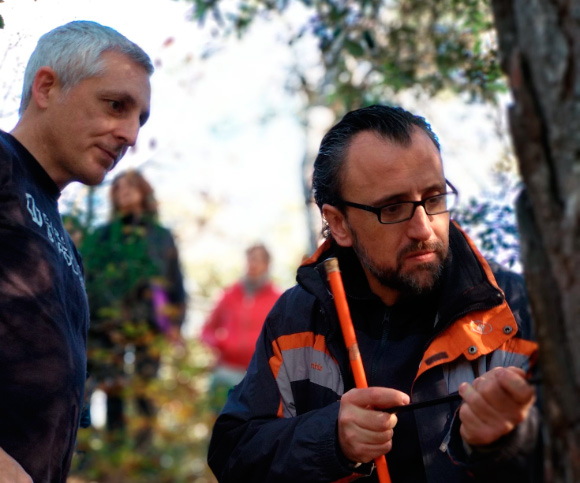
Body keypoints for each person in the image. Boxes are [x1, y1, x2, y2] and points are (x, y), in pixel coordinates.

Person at [208, 105, 541, 483]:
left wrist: (501, 445)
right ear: (338, 224)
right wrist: (329, 439)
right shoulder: (298, 318)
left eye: (433, 199)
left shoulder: (514, 310)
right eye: (393, 208)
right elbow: (233, 455)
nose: (423, 228)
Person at [0, 20, 152, 483]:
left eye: (139, 119)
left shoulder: (62, 237)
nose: (130, 135)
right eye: (115, 105)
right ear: (46, 87)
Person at [82, 169, 186, 444]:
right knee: (112, 393)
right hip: (107, 329)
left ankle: (144, 459)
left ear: (143, 192)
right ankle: (112, 459)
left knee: (145, 394)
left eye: (130, 186)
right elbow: (88, 281)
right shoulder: (101, 236)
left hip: (149, 329)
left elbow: (175, 283)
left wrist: (176, 325)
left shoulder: (161, 237)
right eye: (118, 188)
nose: (124, 192)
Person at [201, 243, 281, 413]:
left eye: (257, 260)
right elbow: (206, 330)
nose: (252, 264)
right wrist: (220, 344)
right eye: (249, 259)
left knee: (252, 428)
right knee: (221, 425)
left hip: (259, 375)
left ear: (267, 265)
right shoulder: (229, 295)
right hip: (226, 372)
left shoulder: (277, 298)